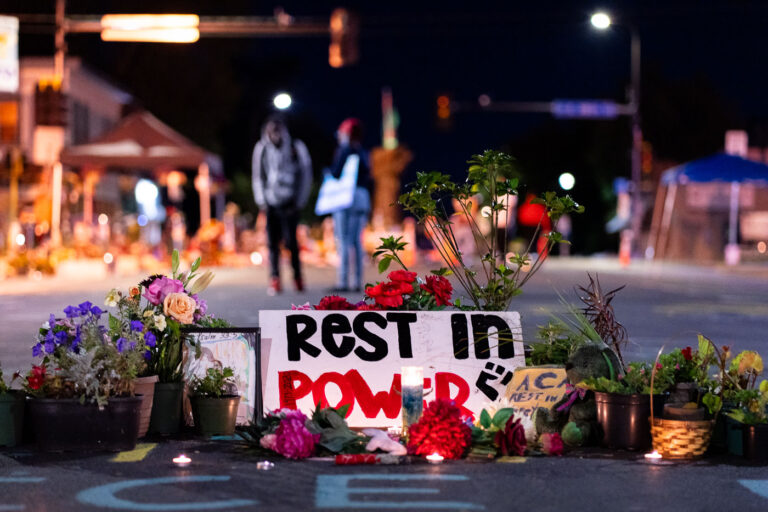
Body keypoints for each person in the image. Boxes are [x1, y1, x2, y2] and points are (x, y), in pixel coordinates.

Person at [252, 116, 312, 295]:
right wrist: (262, 201)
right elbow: (258, 176)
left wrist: (300, 200)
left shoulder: (296, 147)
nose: (275, 135)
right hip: (271, 202)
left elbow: (306, 174)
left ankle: (297, 277)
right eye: (272, 131)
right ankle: (275, 278)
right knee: (272, 243)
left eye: (278, 131)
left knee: (292, 242)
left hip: (290, 202)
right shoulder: (262, 148)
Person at [330, 118, 372, 292]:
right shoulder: (363, 152)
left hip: (346, 198)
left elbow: (335, 172)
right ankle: (357, 281)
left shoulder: (345, 150)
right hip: (362, 197)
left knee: (344, 240)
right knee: (356, 241)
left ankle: (343, 281)